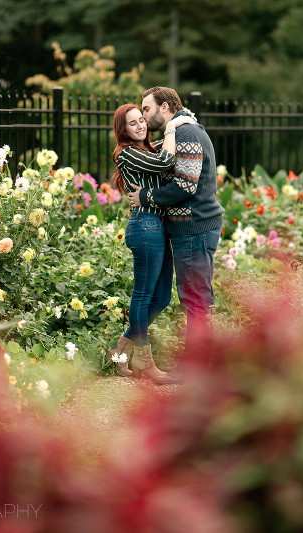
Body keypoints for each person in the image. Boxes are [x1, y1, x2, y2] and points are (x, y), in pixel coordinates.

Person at [128, 87, 225, 361]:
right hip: (189, 227)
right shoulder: (179, 132)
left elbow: (186, 185)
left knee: (195, 300)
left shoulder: (188, 134)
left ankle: (196, 366)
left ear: (165, 107)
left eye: (146, 110)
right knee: (194, 298)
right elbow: (157, 157)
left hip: (195, 227)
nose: (144, 118)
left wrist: (145, 196)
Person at [105, 103, 193, 383]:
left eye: (142, 120)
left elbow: (162, 151)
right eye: (133, 123)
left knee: (162, 298)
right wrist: (171, 126)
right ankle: (144, 360)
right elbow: (166, 162)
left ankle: (119, 349)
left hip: (157, 227)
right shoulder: (127, 154)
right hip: (144, 226)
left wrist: (179, 124)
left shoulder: (145, 149)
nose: (141, 125)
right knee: (143, 296)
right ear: (124, 130)